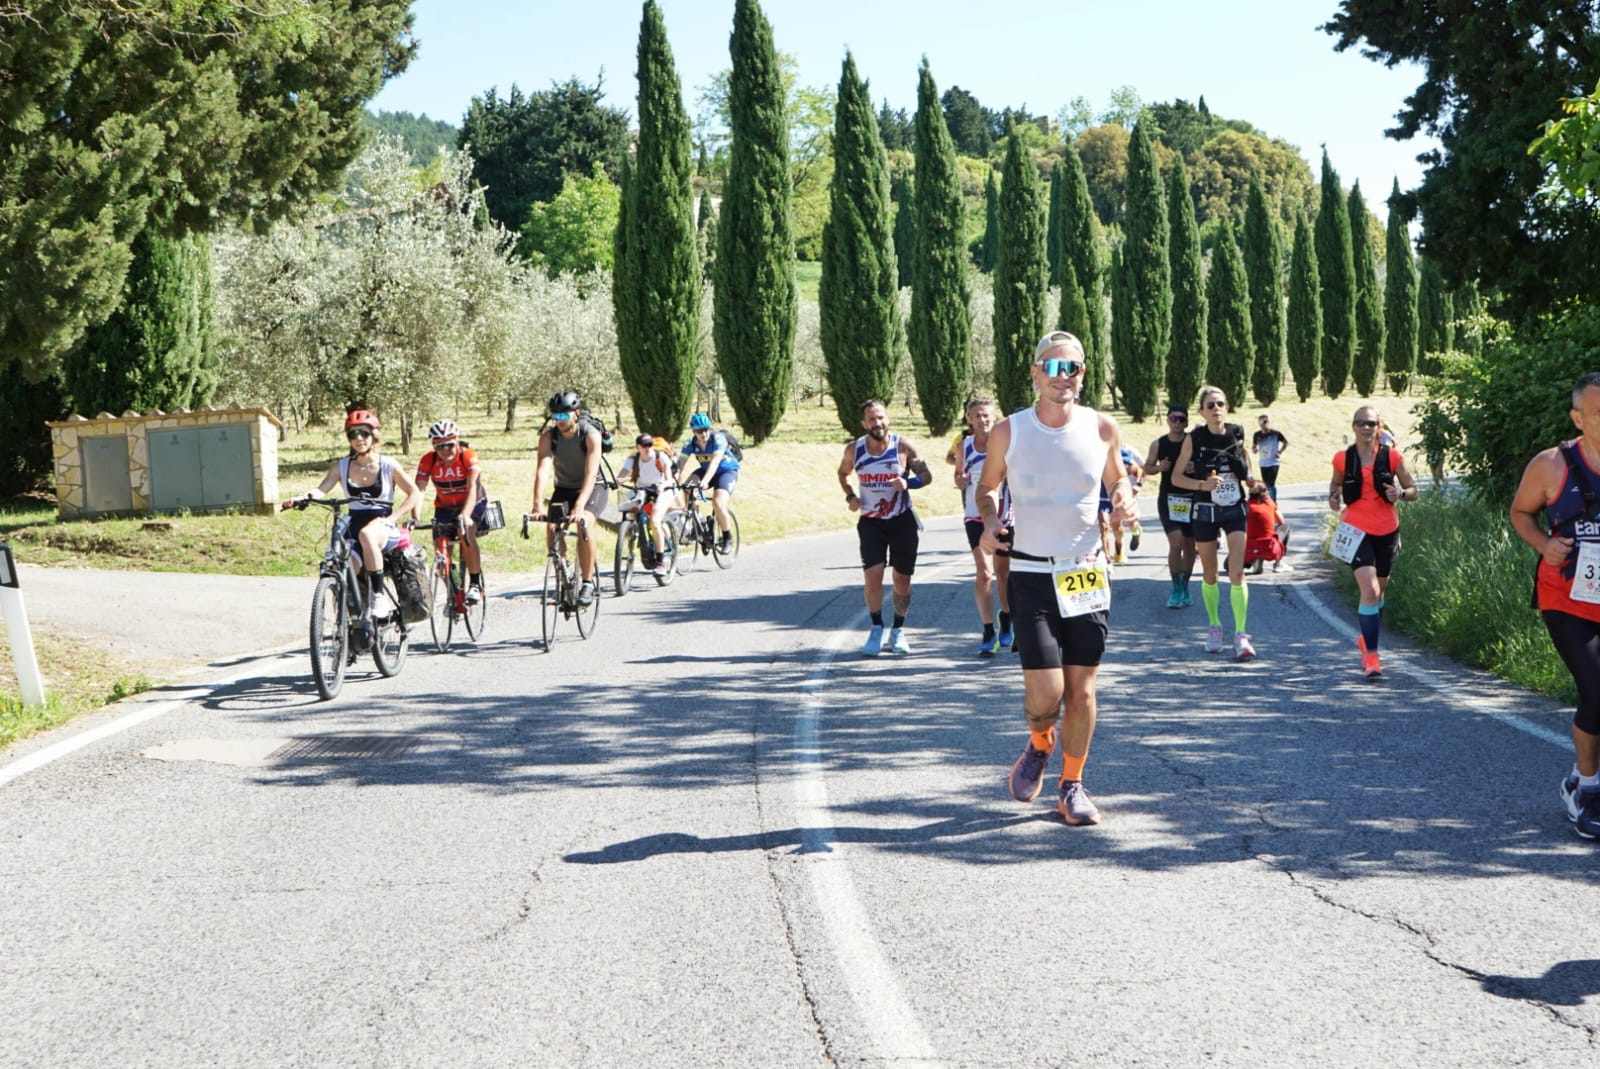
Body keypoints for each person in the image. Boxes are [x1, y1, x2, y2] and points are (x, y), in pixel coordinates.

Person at [980, 330, 1134, 826]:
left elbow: (1117, 478)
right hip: (1029, 571)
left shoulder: (1102, 428)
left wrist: (1126, 499)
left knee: (1083, 691)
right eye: (1051, 366)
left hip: (1086, 572)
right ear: (1033, 372)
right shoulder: (1010, 431)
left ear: (1082, 376)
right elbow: (987, 489)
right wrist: (987, 522)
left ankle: (1072, 785)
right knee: (1045, 694)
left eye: (1072, 368)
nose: (1062, 376)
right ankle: (1040, 741)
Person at [1510, 372, 1600, 839]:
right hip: (1567, 597)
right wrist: (1544, 544)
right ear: (1578, 418)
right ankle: (1586, 788)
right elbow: (1520, 512)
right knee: (1597, 689)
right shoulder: (1551, 464)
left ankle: (1581, 776)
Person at [281, 409, 422, 620]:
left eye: (363, 433)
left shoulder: (388, 465)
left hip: (382, 525)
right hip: (354, 524)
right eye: (352, 434)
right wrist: (302, 498)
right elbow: (321, 489)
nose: (358, 439)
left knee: (367, 535)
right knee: (343, 570)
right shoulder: (342, 466)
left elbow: (414, 493)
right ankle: (345, 628)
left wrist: (393, 519)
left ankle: (378, 596)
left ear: (374, 435)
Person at [1327, 406, 1418, 679]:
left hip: (1387, 530)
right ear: (1353, 427)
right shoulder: (1343, 459)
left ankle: (1368, 639)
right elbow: (1335, 485)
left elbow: (1414, 491)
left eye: (1370, 423)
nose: (1365, 428)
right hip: (1355, 531)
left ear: (1379, 427)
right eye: (1360, 423)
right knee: (1370, 589)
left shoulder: (1392, 457)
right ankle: (1372, 656)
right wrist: (1333, 497)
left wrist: (1400, 493)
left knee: (1379, 594)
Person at [839, 399, 932, 656]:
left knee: (902, 579)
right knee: (872, 577)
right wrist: (850, 497)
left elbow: (926, 476)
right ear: (863, 423)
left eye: (880, 417)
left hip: (902, 520)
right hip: (871, 522)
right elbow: (843, 474)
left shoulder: (903, 446)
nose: (877, 423)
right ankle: (877, 627)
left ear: (887, 418)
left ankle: (898, 630)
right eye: (871, 419)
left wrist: (909, 484)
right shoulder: (854, 449)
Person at [1169, 385, 1256, 660]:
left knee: (1237, 573)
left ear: (1227, 407)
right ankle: (1214, 626)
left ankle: (1241, 635)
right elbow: (1176, 478)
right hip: (1205, 510)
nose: (1216, 408)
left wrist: (1251, 478)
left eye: (1220, 403)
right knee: (1209, 573)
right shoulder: (1194, 438)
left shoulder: (1237, 432)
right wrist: (1202, 485)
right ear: (1202, 411)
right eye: (1210, 405)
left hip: (1234, 508)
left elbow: (1247, 463)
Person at [529, 390, 608, 607]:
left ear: (576, 413)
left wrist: (580, 506)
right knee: (552, 529)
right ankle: (564, 577)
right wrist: (536, 504)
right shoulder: (549, 437)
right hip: (563, 488)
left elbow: (591, 473)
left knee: (584, 524)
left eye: (564, 416)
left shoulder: (590, 434)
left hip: (593, 488)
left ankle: (587, 583)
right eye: (556, 417)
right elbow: (542, 469)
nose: (560, 421)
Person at [954, 398, 1012, 656]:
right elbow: (958, 477)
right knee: (983, 574)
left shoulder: (1005, 444)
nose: (982, 420)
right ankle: (988, 630)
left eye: (986, 415)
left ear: (995, 416)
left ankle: (1007, 618)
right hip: (974, 516)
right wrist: (961, 479)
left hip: (1004, 517)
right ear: (969, 419)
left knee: (1004, 574)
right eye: (977, 416)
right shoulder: (964, 446)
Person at [414, 419, 488, 603]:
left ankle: (475, 584)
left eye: (449, 445)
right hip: (445, 507)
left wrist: (465, 515)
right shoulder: (428, 460)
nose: (445, 450)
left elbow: (473, 488)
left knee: (465, 533)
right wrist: (414, 517)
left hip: (473, 503)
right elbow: (419, 491)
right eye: (439, 446)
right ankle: (455, 589)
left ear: (457, 441)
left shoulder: (468, 457)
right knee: (441, 553)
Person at [1146, 403, 1197, 609]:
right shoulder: (1158, 444)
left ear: (1186, 422)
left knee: (1190, 546)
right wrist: (1158, 467)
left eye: (1181, 419)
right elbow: (1147, 467)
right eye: (1173, 419)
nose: (1177, 423)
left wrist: (1196, 468)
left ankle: (1185, 586)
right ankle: (1175, 587)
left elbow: (1207, 466)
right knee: (1176, 543)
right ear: (1167, 420)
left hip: (1192, 497)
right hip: (1169, 499)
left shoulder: (1192, 442)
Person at [617, 432, 679, 576]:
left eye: (650, 445)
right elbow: (624, 472)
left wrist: (663, 485)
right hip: (643, 490)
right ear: (638, 447)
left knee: (655, 520)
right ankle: (636, 537)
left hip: (663, 490)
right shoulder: (633, 459)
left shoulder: (660, 457)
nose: (648, 448)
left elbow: (670, 479)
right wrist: (619, 479)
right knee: (631, 512)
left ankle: (660, 563)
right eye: (644, 446)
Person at [676, 412, 739, 552]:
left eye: (705, 429)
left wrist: (704, 482)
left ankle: (727, 537)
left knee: (717, 502)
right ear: (693, 432)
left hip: (725, 471)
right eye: (699, 431)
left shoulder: (718, 439)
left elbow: (715, 462)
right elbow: (681, 464)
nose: (703, 434)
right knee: (687, 488)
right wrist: (676, 481)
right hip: (705, 470)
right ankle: (698, 523)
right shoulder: (690, 443)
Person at [1099, 445, 1144, 563]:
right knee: (1103, 525)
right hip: (1099, 492)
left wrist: (1115, 474)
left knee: (1123, 524)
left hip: (1116, 491)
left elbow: (1134, 467)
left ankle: (1135, 532)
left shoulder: (1117, 448)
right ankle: (1107, 558)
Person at [1243, 480, 1291, 575]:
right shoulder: (1269, 503)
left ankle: (1253, 560)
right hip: (1269, 547)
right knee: (1285, 527)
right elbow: (1281, 521)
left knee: (1229, 564)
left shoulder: (1245, 506)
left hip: (1249, 548)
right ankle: (1278, 563)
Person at [1252, 414, 1290, 502]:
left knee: (1271, 483)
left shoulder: (1275, 434)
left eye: (1265, 422)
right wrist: (1254, 449)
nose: (1263, 424)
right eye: (1261, 422)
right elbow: (1254, 446)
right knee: (1265, 484)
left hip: (1273, 462)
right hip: (1263, 462)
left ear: (1269, 422)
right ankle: (1267, 501)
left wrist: (1279, 452)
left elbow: (1286, 442)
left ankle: (1273, 502)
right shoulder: (1257, 435)